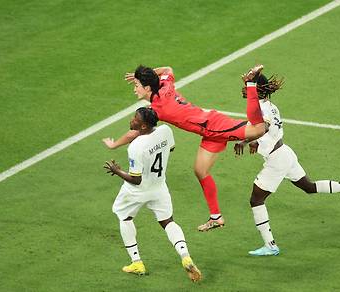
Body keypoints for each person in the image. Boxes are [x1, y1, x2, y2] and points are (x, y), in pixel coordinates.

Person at [103, 64, 267, 232]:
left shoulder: (158, 109)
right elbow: (168, 70)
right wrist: (149, 74)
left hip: (214, 126)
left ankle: (251, 83)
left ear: (147, 87)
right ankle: (216, 217)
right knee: (200, 170)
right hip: (208, 131)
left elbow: (135, 132)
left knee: (259, 129)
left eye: (137, 85)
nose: (134, 88)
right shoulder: (166, 86)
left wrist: (114, 144)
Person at [233, 73, 340, 256]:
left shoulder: (260, 107)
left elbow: (265, 127)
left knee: (256, 199)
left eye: (248, 86)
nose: (245, 89)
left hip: (277, 159)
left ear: (257, 89)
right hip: (285, 152)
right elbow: (265, 129)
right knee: (309, 187)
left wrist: (246, 142)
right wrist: (253, 141)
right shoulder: (270, 106)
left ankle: (270, 245)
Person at [104, 107, 202, 282]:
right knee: (168, 221)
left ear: (142, 126)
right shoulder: (165, 130)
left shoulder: (136, 147)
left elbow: (136, 179)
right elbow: (170, 149)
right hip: (159, 187)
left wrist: (117, 171)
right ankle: (185, 256)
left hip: (137, 191)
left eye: (135, 119)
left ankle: (136, 262)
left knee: (124, 217)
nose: (131, 120)